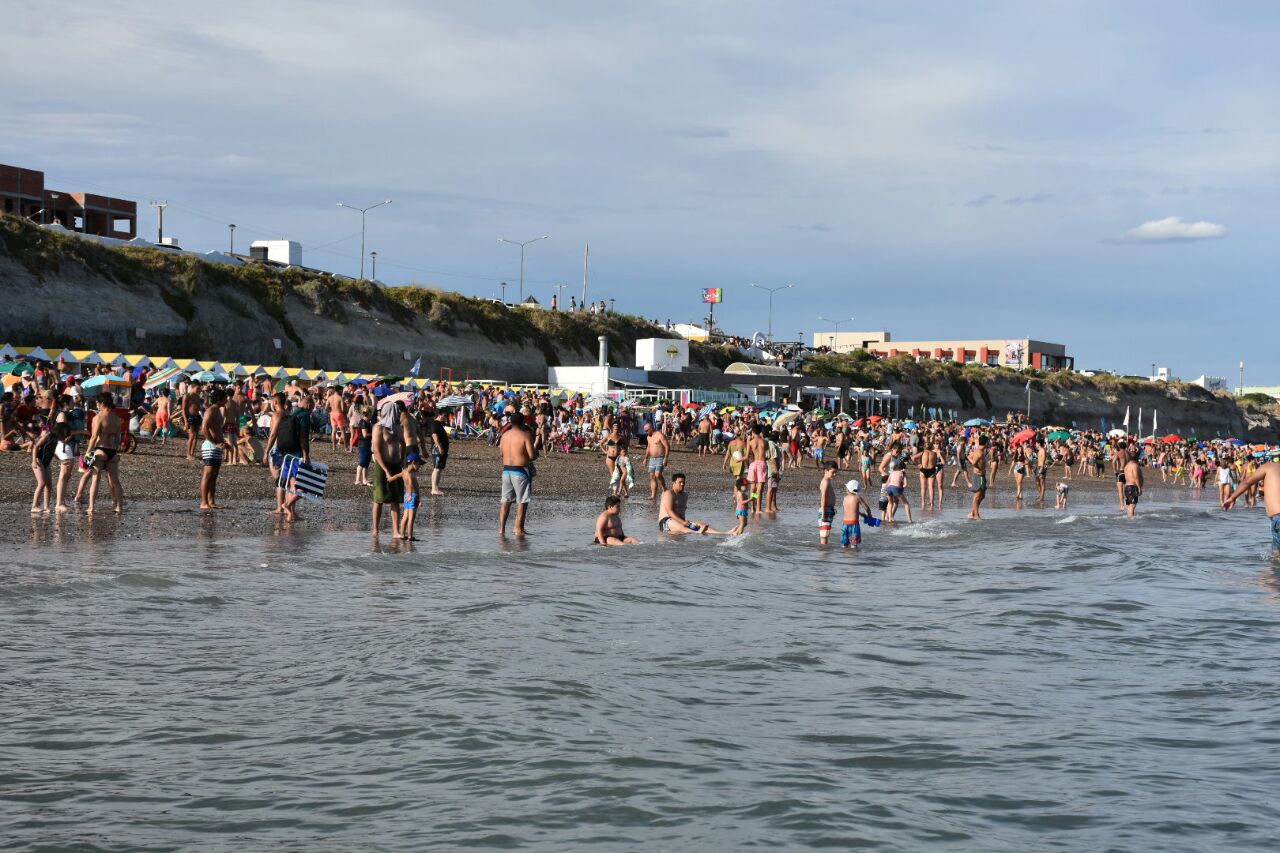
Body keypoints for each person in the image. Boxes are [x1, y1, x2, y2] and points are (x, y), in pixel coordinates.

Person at [264, 392, 308, 522]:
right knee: (289, 480)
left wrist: (266, 452)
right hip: (289, 449)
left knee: (281, 480)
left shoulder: (277, 415)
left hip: (277, 448)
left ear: (275, 402)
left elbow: (273, 435)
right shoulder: (290, 415)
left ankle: (280, 508)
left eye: (272, 401)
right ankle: (290, 512)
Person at [1222, 461, 1280, 557]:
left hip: (1278, 517)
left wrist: (1232, 497)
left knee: (1276, 557)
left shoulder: (1270, 466)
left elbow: (1247, 482)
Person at [84, 392, 125, 514]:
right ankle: (119, 506)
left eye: (97, 403)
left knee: (95, 479)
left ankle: (91, 507)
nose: (96, 405)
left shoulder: (98, 417)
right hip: (112, 450)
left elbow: (94, 437)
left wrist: (88, 452)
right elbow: (118, 439)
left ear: (101, 403)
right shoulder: (117, 419)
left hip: (100, 449)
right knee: (115, 481)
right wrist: (115, 449)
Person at [371, 400, 406, 537]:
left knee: (395, 499)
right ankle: (375, 530)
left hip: (396, 464)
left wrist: (402, 459)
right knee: (379, 498)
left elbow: (403, 443)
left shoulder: (398, 427)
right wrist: (385, 470)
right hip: (382, 465)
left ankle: (396, 531)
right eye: (396, 411)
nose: (398, 413)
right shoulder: (378, 427)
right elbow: (377, 450)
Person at [499, 410, 537, 537]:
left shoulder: (504, 435)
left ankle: (502, 529)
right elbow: (532, 455)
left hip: (506, 470)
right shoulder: (525, 435)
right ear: (522, 422)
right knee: (522, 501)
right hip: (520, 470)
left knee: (506, 500)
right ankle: (518, 528)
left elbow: (501, 453)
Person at [657, 472, 728, 534]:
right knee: (681, 526)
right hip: (665, 521)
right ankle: (696, 532)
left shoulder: (685, 495)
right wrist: (683, 523)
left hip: (680, 521)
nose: (682, 484)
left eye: (683, 482)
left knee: (701, 525)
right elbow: (670, 512)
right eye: (680, 482)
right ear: (674, 483)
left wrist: (687, 523)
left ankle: (725, 533)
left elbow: (681, 512)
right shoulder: (668, 493)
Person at [199, 388, 229, 509]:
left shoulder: (218, 410)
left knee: (214, 475)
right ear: (220, 399)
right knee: (208, 474)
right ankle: (203, 502)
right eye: (225, 397)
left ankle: (211, 501)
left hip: (217, 445)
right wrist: (214, 442)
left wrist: (223, 442)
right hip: (210, 446)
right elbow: (204, 428)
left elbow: (217, 430)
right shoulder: (210, 410)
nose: (226, 399)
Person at [392, 458, 420, 541]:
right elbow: (411, 484)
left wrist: (390, 478)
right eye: (418, 464)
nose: (419, 466)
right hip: (412, 495)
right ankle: (410, 537)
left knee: (405, 516)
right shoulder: (410, 473)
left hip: (406, 495)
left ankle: (402, 535)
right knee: (411, 517)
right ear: (413, 462)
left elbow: (397, 476)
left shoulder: (404, 472)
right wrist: (412, 495)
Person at [424, 408, 449, 495]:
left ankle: (436, 487)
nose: (445, 417)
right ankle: (434, 488)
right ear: (439, 415)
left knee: (439, 468)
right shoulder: (435, 423)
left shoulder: (438, 424)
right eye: (444, 415)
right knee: (437, 469)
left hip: (440, 449)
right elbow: (434, 435)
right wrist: (440, 447)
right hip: (437, 449)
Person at [643, 422, 669, 502]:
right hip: (652, 458)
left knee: (657, 474)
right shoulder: (648, 437)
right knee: (652, 476)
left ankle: (664, 488)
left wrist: (666, 458)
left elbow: (667, 446)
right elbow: (648, 447)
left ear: (651, 428)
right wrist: (645, 458)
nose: (646, 432)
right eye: (645, 431)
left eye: (647, 430)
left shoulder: (660, 435)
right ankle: (653, 495)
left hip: (660, 458)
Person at [841, 479, 871, 549]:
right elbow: (866, 507)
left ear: (848, 489)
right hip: (854, 524)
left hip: (845, 524)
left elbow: (850, 510)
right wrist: (869, 515)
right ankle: (853, 558)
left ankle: (845, 557)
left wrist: (861, 514)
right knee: (854, 544)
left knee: (844, 544)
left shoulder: (845, 498)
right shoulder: (857, 497)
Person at [968, 434, 988, 520]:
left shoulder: (981, 450)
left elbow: (970, 455)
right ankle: (976, 515)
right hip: (978, 475)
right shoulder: (979, 453)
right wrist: (979, 468)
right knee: (977, 496)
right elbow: (973, 463)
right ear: (986, 443)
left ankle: (973, 512)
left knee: (982, 495)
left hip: (982, 476)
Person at [818, 461, 838, 544]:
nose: (834, 474)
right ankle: (824, 552)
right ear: (826, 471)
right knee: (824, 534)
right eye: (833, 472)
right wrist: (823, 513)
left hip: (828, 510)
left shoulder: (827, 480)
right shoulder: (825, 482)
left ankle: (825, 551)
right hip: (825, 510)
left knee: (826, 533)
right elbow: (823, 498)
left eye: (835, 473)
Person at [1122, 451, 1144, 517]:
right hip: (1132, 487)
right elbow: (1136, 477)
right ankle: (1131, 519)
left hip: (1127, 486)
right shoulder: (1134, 465)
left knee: (1129, 504)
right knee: (1132, 505)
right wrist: (1139, 487)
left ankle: (1129, 518)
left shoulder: (1126, 466)